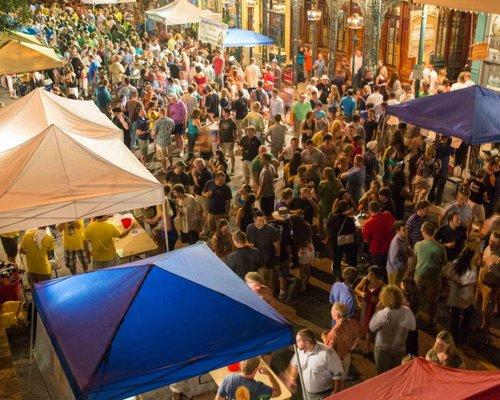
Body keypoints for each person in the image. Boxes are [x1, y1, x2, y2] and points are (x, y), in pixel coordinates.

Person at [283, 329, 344, 399]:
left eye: (298, 341)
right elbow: (294, 364)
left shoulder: (328, 353)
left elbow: (338, 375)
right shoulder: (299, 351)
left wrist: (335, 393)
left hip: (324, 394)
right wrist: (292, 378)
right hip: (307, 393)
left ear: (306, 343)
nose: (296, 343)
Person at [369, 285, 416, 373]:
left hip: (383, 349)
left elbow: (371, 327)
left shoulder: (384, 313)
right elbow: (413, 327)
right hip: (399, 348)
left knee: (382, 375)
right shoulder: (407, 311)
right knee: (394, 374)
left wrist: (376, 310)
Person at [413, 222, 448, 327]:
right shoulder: (440, 248)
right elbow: (445, 262)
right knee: (432, 301)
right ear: (434, 232)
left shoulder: (418, 245)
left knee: (416, 298)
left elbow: (415, 259)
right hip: (433, 278)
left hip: (419, 276)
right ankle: (431, 320)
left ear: (424, 232)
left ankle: (414, 317)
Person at [322, 303, 363, 381]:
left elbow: (328, 349)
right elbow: (360, 333)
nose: (331, 313)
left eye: (332, 312)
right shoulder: (354, 323)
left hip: (337, 360)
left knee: (336, 379)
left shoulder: (334, 333)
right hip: (347, 356)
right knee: (343, 375)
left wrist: (324, 338)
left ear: (337, 315)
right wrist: (353, 346)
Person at [444, 248, 478, 343]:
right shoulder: (469, 267)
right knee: (463, 315)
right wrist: (460, 281)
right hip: (463, 297)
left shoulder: (458, 263)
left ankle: (457, 336)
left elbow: (449, 274)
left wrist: (456, 280)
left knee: (458, 316)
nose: (476, 259)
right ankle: (459, 336)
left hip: (460, 296)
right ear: (470, 258)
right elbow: (469, 280)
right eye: (475, 257)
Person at [215, 357, 280, 400]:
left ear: (241, 365)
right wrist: (269, 374)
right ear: (257, 369)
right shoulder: (259, 387)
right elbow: (277, 392)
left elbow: (218, 399)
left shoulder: (228, 379)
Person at [246, 211, 280, 290]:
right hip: (255, 258)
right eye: (259, 220)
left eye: (263, 220)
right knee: (257, 279)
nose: (262, 222)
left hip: (268, 257)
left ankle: (270, 294)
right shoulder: (249, 227)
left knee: (269, 278)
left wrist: (277, 256)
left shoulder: (270, 229)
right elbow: (247, 240)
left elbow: (276, 244)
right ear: (254, 219)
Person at [355, 266, 384, 354]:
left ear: (376, 276)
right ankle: (357, 342)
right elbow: (356, 289)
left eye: (371, 274)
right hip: (364, 305)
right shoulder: (365, 280)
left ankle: (367, 345)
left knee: (369, 326)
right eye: (368, 273)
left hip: (373, 308)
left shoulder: (382, 285)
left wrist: (379, 300)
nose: (368, 275)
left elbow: (384, 298)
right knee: (362, 323)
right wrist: (361, 293)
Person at [327, 201, 357, 282]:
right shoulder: (349, 219)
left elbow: (329, 228)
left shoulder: (332, 216)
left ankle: (337, 278)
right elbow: (353, 230)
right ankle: (350, 277)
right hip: (347, 242)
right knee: (351, 259)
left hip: (336, 242)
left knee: (336, 260)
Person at [362, 201, 395, 269]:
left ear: (369, 210)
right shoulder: (388, 215)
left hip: (376, 250)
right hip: (390, 247)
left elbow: (366, 239)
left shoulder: (368, 223)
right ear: (379, 208)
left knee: (377, 270)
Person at [202, 171, 232, 235]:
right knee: (211, 229)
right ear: (216, 178)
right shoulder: (209, 183)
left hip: (220, 213)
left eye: (224, 180)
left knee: (221, 230)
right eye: (221, 180)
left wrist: (226, 214)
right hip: (210, 212)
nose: (223, 182)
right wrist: (206, 195)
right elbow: (203, 193)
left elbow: (228, 202)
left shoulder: (226, 188)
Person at [400, 277, 420, 356]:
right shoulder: (415, 296)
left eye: (402, 284)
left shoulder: (406, 301)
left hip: (407, 326)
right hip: (413, 324)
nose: (400, 285)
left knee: (408, 345)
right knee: (413, 345)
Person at [152, 107, 175, 172]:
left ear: (159, 113)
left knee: (163, 156)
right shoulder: (171, 120)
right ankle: (171, 165)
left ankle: (164, 169)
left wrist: (152, 134)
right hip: (168, 141)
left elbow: (154, 133)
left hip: (160, 142)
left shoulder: (157, 122)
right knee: (170, 154)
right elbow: (173, 129)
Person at [386, 221, 407, 285]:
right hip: (394, 271)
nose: (406, 231)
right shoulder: (396, 243)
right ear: (397, 231)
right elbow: (394, 261)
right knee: (394, 292)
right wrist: (404, 266)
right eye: (404, 230)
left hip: (398, 270)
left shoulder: (402, 238)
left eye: (406, 229)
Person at [218, 107, 237, 174]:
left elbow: (235, 133)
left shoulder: (232, 122)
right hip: (222, 141)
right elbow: (219, 131)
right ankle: (224, 169)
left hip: (229, 140)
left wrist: (233, 142)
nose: (222, 113)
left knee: (231, 155)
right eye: (222, 112)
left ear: (227, 113)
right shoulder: (221, 121)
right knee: (222, 156)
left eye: (223, 112)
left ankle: (233, 168)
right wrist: (219, 139)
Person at [256, 153, 276, 217]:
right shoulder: (271, 166)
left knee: (265, 213)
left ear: (267, 160)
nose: (260, 160)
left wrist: (258, 196)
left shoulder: (265, 171)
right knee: (270, 212)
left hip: (265, 196)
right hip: (271, 193)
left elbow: (262, 186)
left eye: (262, 159)